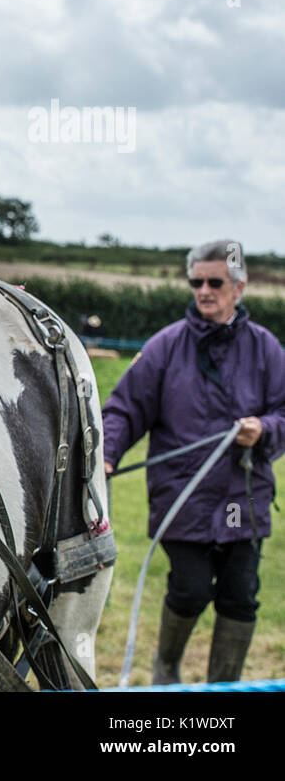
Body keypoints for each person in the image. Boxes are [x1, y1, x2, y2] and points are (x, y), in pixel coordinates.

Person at [101, 239, 285, 684]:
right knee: (190, 589)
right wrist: (105, 457)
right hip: (181, 496)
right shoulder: (165, 347)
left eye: (215, 282)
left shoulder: (266, 350)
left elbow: (282, 411)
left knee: (240, 596)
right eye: (196, 282)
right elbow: (124, 410)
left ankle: (227, 685)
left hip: (244, 495)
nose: (204, 290)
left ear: (238, 287)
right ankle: (167, 670)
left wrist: (264, 429)